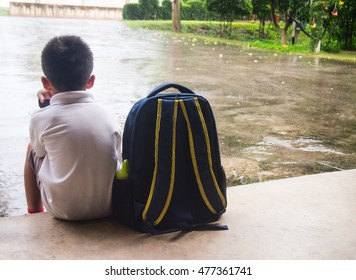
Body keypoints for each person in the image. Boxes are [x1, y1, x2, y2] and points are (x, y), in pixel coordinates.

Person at [24, 35, 122, 220]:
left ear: (46, 83)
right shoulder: (109, 114)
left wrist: (45, 106)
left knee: (31, 149)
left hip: (63, 211)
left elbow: (41, 152)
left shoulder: (40, 118)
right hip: (108, 207)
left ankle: (34, 213)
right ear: (90, 81)